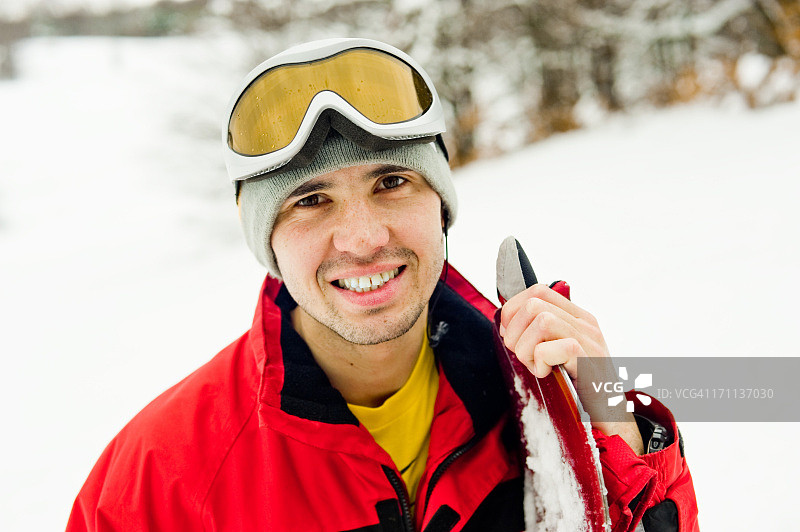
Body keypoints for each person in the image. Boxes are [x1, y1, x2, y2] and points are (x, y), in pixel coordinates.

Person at [67, 38, 698, 531]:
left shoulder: (535, 395)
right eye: (310, 200)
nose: (363, 238)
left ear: (441, 205)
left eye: (391, 183)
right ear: (267, 243)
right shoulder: (158, 481)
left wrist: (613, 424)